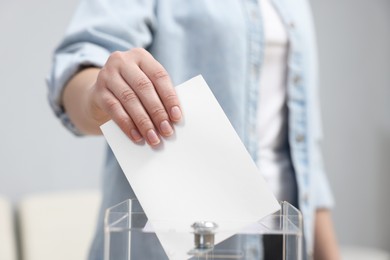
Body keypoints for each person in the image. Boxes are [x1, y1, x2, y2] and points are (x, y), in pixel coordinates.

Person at [47, 0, 340, 259]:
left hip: (282, 239)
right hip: (169, 245)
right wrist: (98, 95)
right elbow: (80, 66)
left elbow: (306, 159)